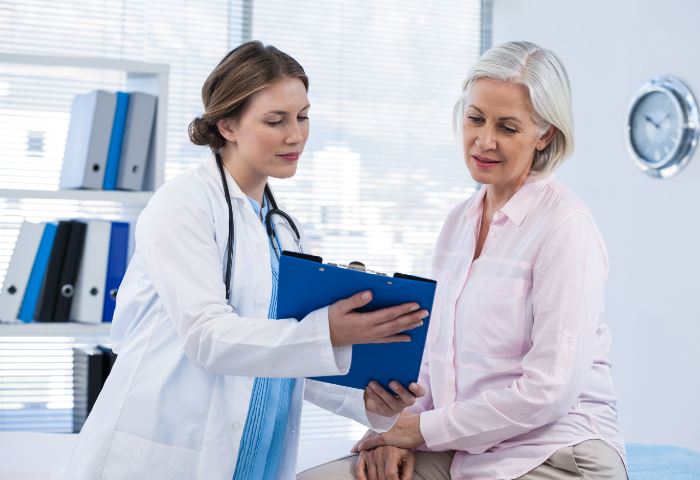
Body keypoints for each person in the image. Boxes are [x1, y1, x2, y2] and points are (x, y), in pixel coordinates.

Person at [56, 41, 429, 480]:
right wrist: (327, 331)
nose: (296, 135)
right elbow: (207, 338)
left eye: (303, 116)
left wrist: (361, 401)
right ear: (227, 124)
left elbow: (277, 355)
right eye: (276, 120)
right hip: (167, 451)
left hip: (255, 459)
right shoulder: (184, 204)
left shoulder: (282, 228)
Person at [297, 41, 627, 480]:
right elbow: (436, 357)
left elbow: (548, 391)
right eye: (475, 119)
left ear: (544, 134)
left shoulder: (566, 228)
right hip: (467, 447)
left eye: (508, 128)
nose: (484, 140)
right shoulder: (459, 222)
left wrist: (422, 431)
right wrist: (398, 430)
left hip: (557, 452)